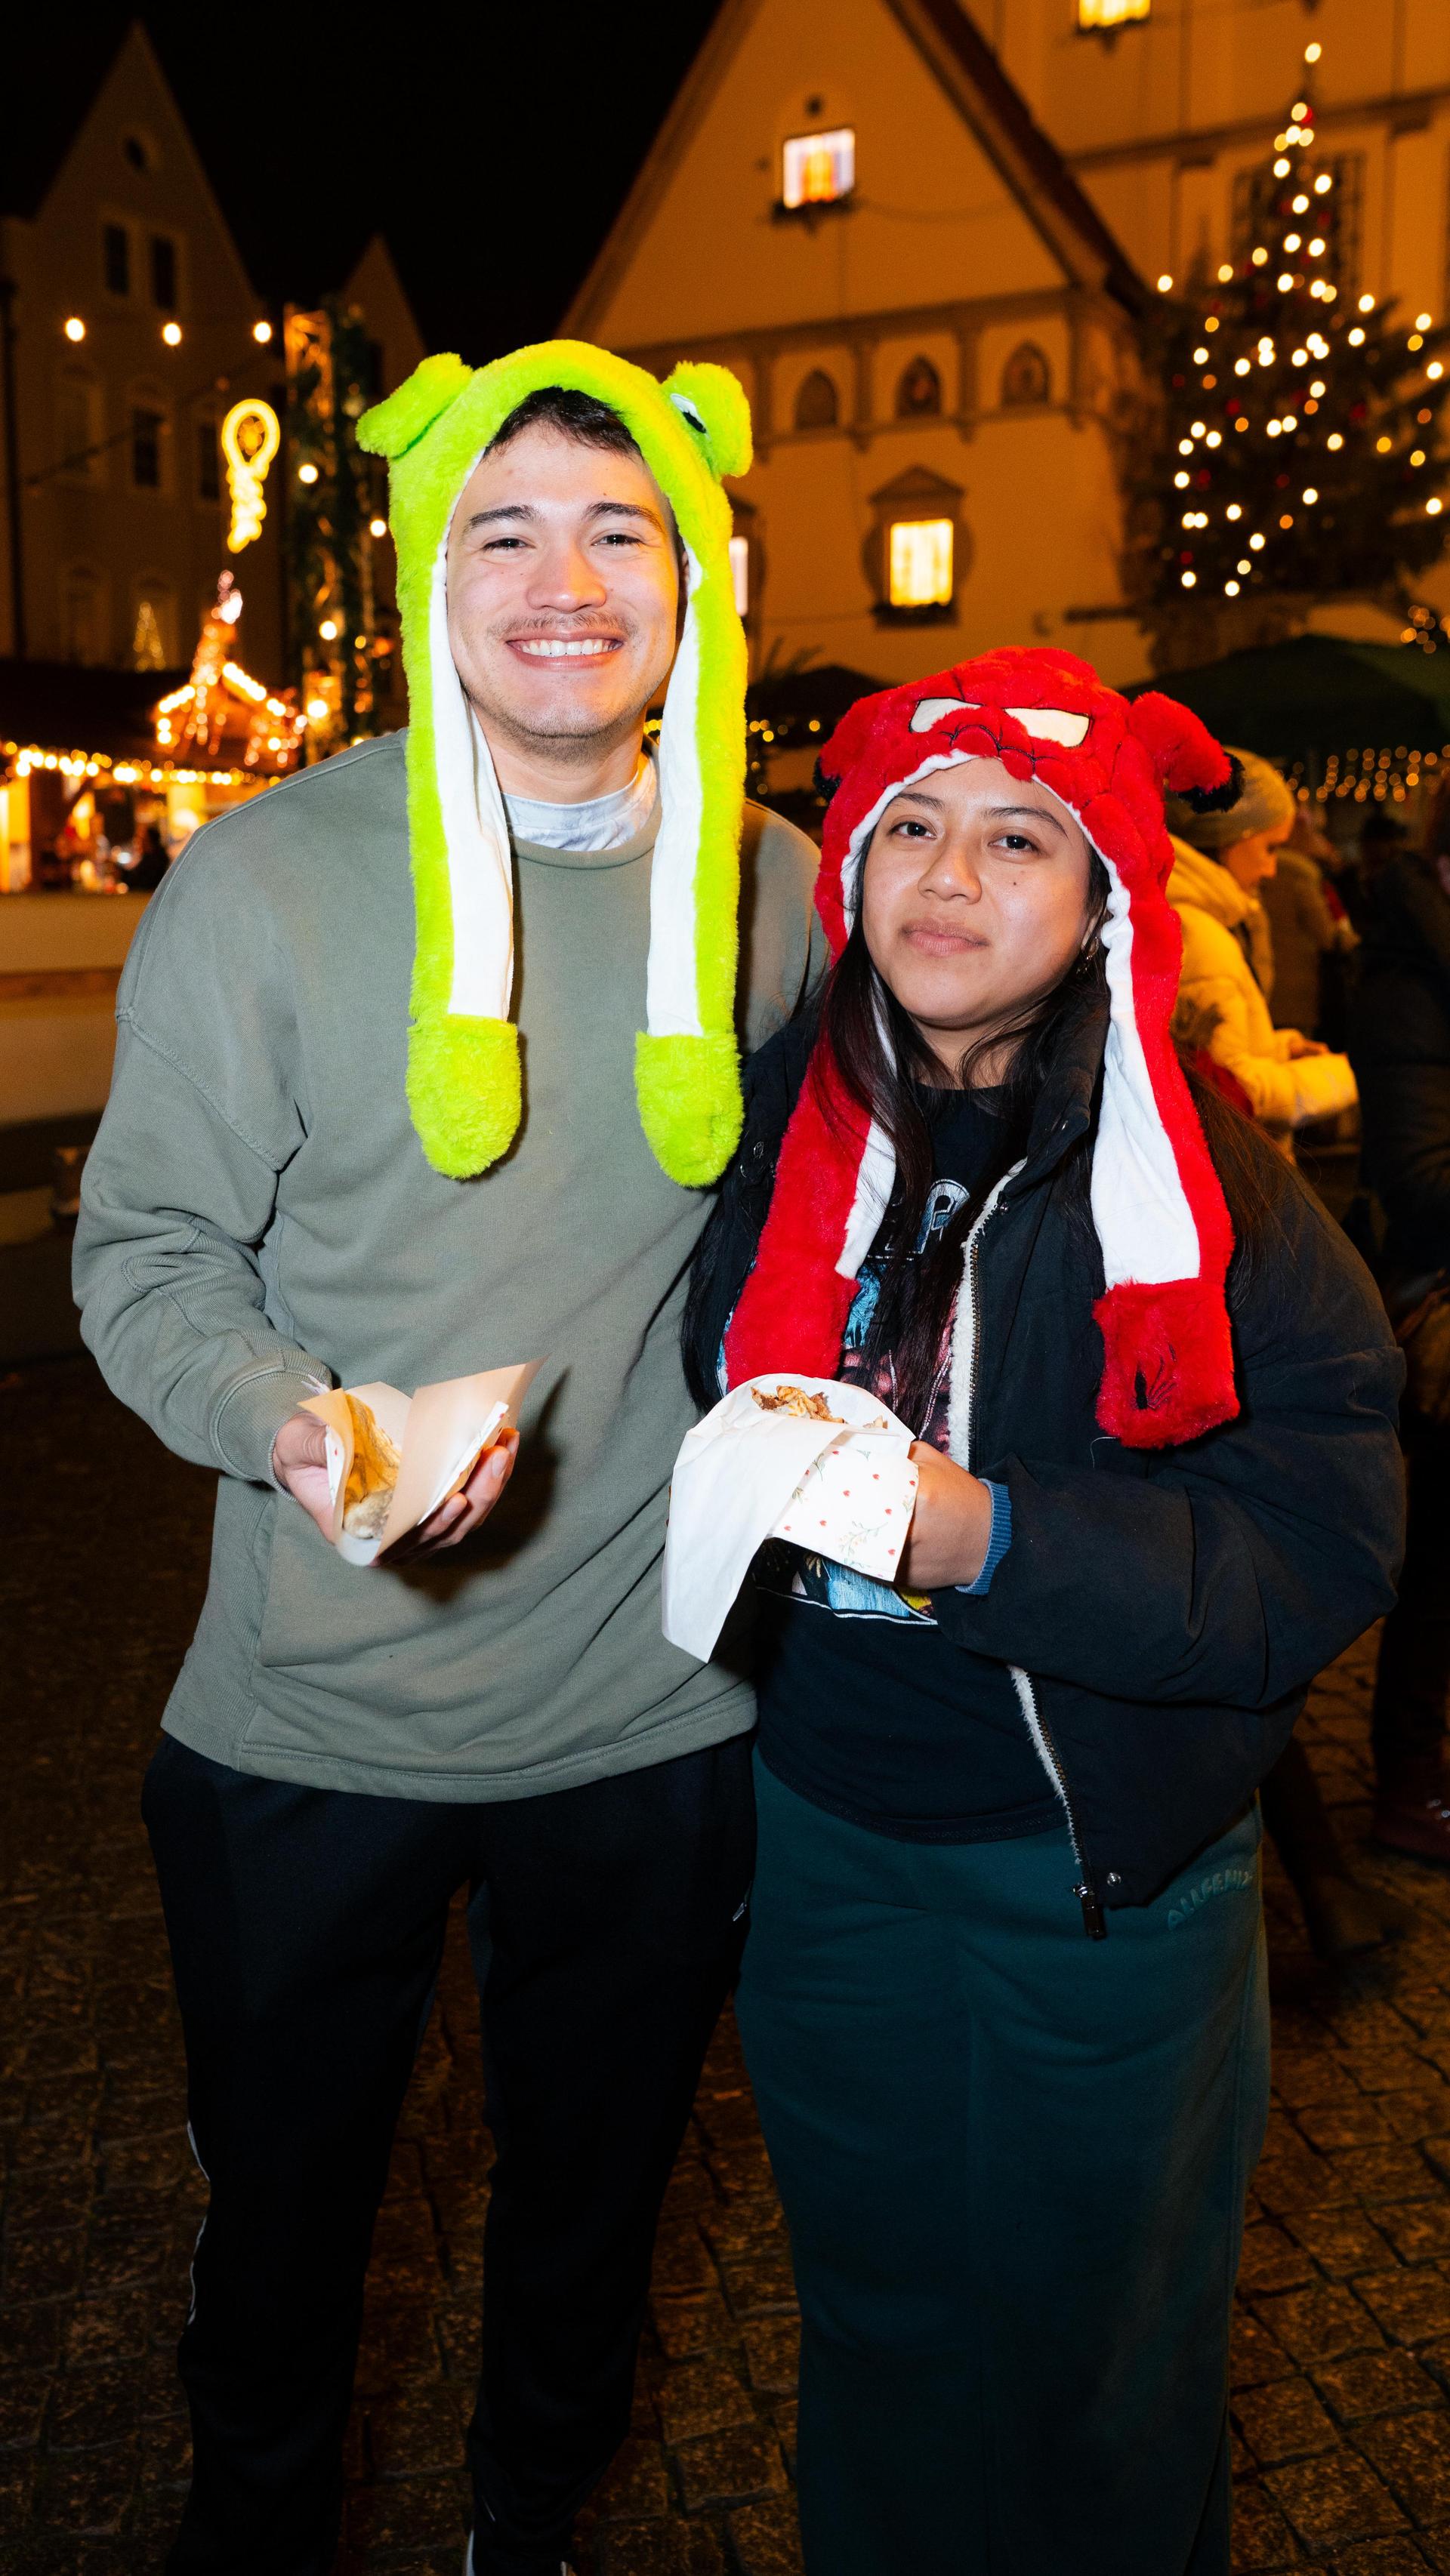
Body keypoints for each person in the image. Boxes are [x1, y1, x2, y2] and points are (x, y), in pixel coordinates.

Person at [73, 343, 822, 2576]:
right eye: (504, 532)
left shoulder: (779, 887)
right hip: (312, 1734)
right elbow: (145, 1255)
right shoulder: (267, 880)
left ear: (696, 580)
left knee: (589, 2224)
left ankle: (532, 2522)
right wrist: (290, 1421)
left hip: (657, 1725)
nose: (565, 584)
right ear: (431, 579)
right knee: (282, 2247)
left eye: (621, 531)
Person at [683, 650, 1404, 2576]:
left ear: (1101, 900)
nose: (948, 870)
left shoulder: (1206, 1186)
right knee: (879, 2338)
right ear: (848, 879)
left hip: (1097, 1881)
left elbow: (1315, 1546)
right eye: (908, 825)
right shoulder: (775, 1142)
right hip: (827, 1849)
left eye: (1018, 835)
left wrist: (988, 1538)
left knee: (1100, 2373)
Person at [1351, 821, 1450, 1865]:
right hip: (1435, 1291)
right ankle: (1409, 1779)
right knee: (1440, 1565)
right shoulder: (1410, 976)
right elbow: (1419, 1180)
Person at [1165, 746, 1356, 1148]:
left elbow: (1216, 1055)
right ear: (1230, 838)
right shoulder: (1198, 934)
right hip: (1237, 1167)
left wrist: (1278, 1048)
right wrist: (1342, 1076)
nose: (1272, 869)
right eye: (1269, 848)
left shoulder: (1208, 919)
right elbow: (1227, 1089)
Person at [1259, 808, 1356, 1038]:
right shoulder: (1301, 872)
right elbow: (1326, 935)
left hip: (1264, 984)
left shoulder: (1262, 864)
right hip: (1297, 989)